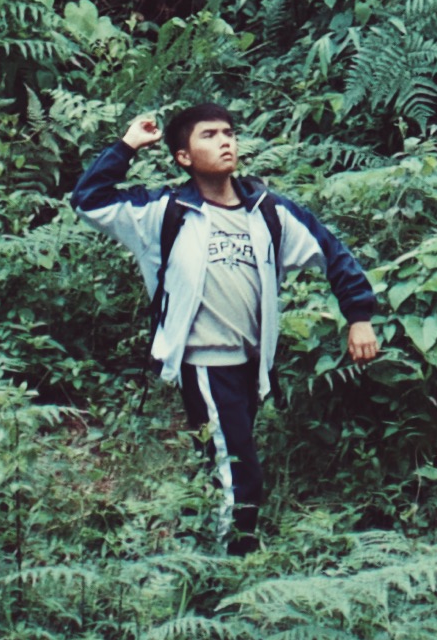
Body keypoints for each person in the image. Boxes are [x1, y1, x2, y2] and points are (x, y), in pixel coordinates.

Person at [65, 102, 384, 542]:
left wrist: (359, 316)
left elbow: (331, 251)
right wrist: (127, 145)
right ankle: (231, 571)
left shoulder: (268, 211)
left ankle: (205, 551)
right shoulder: (163, 211)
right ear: (184, 157)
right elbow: (88, 200)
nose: (224, 142)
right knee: (240, 475)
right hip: (204, 364)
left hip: (251, 364)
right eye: (209, 136)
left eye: (228, 133)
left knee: (222, 465)